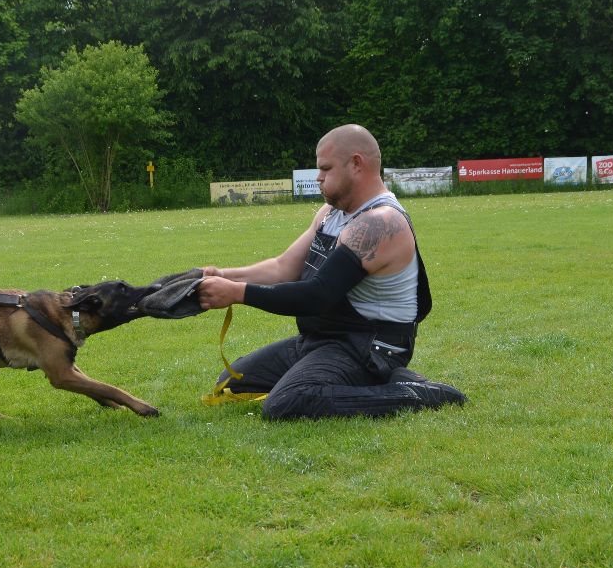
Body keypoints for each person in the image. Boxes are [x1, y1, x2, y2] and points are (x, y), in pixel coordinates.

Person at [197, 124, 466, 419]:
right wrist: (222, 275)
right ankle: (381, 380)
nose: (319, 177)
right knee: (233, 382)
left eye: (325, 168)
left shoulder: (380, 222)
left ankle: (413, 393)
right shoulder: (330, 214)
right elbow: (283, 267)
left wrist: (237, 293)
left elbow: (317, 295)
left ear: (356, 164)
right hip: (322, 338)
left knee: (286, 403)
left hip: (367, 349)